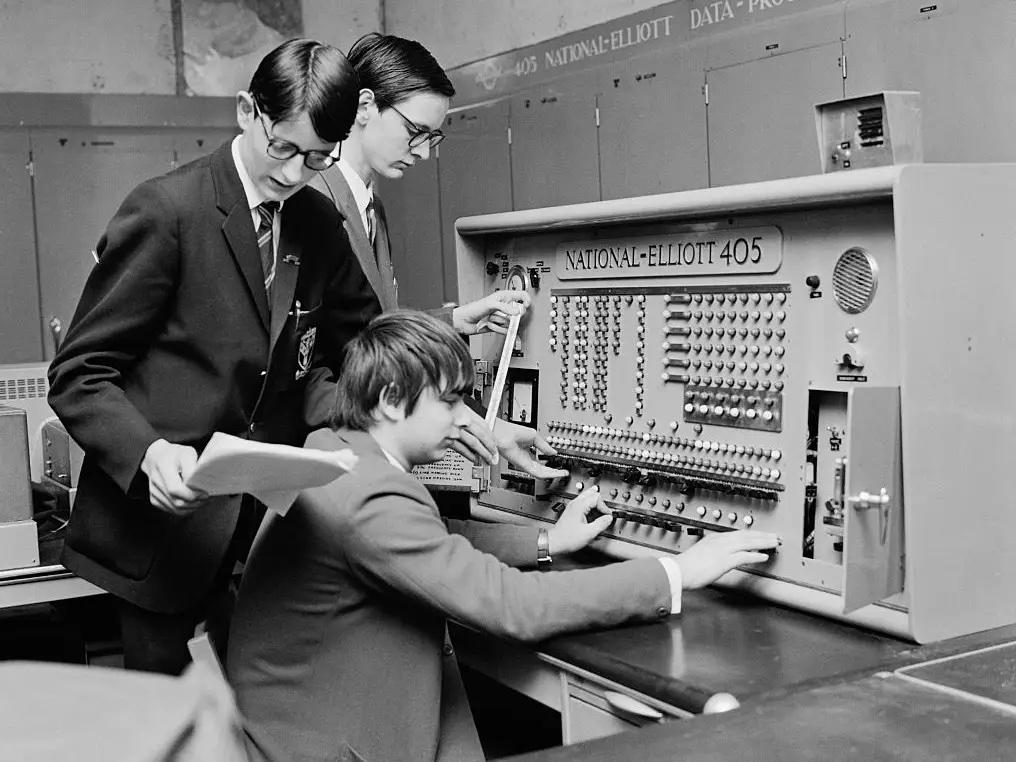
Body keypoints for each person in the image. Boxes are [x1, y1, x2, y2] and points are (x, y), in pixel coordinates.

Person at [227, 310, 780, 762]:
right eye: (448, 402)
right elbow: (512, 607)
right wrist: (677, 571)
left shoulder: (336, 450)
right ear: (393, 400)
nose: (464, 420)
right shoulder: (369, 496)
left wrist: (548, 543)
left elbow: (429, 539)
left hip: (314, 711)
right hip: (331, 742)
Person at [47, 39, 374, 675]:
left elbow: (364, 338)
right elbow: (81, 372)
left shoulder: (316, 220)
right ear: (248, 111)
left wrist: (442, 391)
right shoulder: (169, 210)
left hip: (261, 540)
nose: (293, 172)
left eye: (317, 157)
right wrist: (146, 452)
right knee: (174, 729)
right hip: (159, 539)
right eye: (283, 147)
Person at [310, 32, 560, 479]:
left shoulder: (370, 207)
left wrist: (457, 320)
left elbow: (370, 327)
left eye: (433, 137)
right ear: (364, 107)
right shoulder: (314, 204)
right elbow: (340, 358)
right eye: (414, 132)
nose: (424, 152)